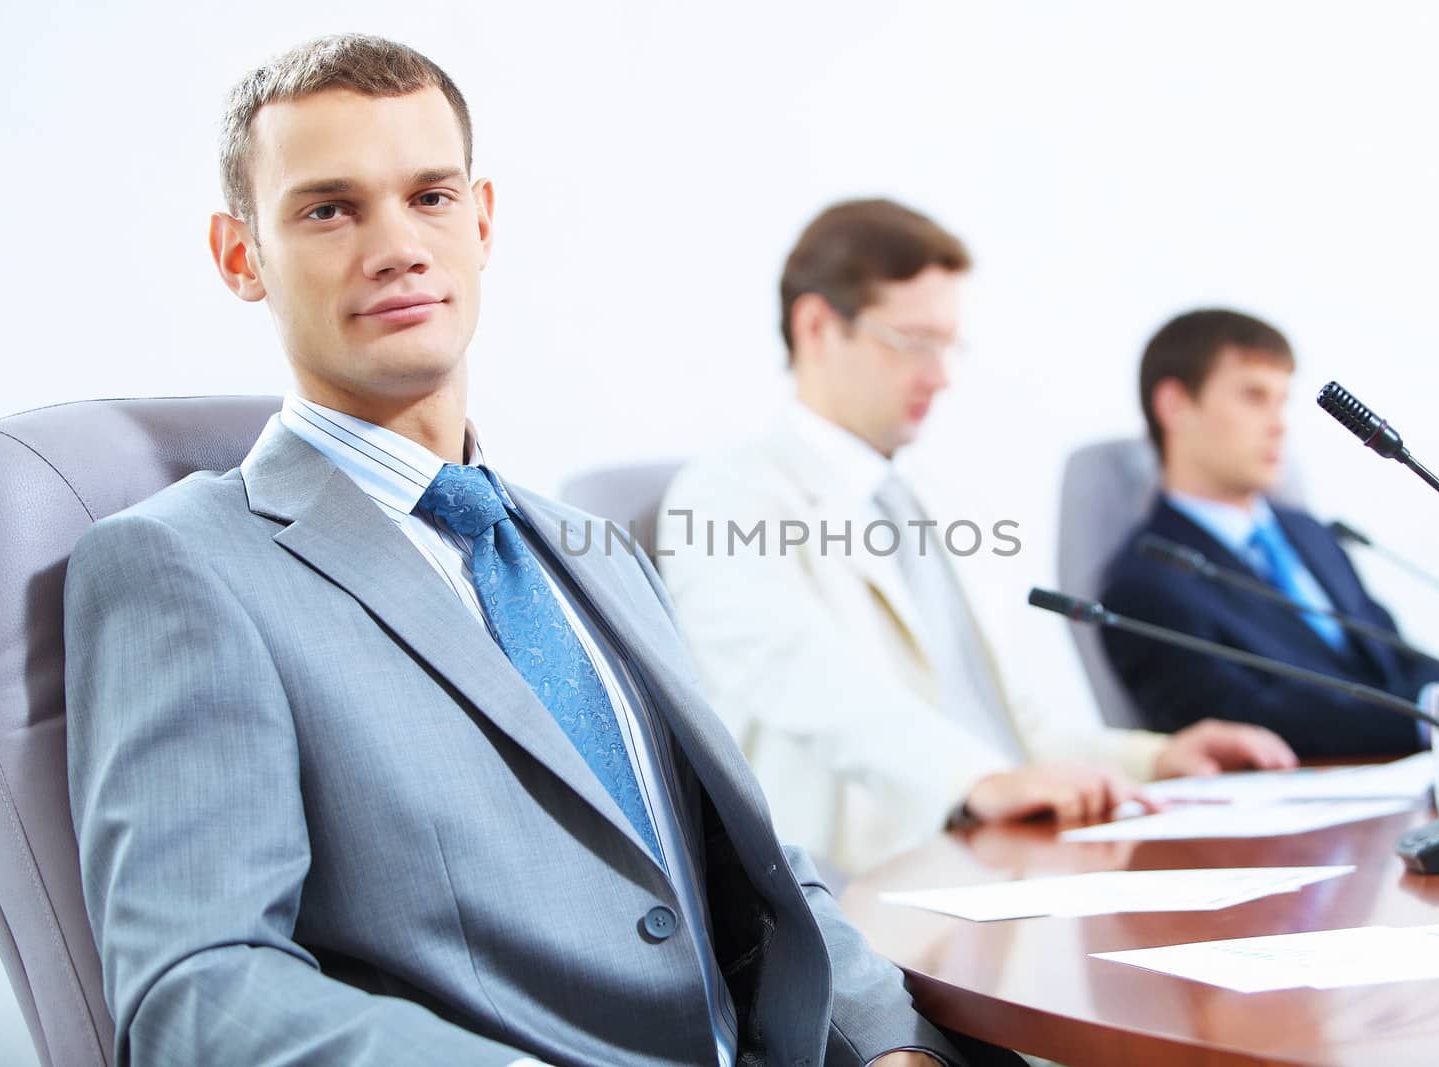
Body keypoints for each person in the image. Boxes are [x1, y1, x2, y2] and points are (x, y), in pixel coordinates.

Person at [63, 36, 987, 1067]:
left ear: (483, 219)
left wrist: (889, 1043)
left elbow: (753, 863)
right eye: (329, 208)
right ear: (241, 257)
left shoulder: (589, 549)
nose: (398, 245)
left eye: (431, 196)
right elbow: (197, 991)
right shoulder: (180, 568)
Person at [655, 199, 1295, 878]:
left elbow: (1007, 724)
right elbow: (803, 677)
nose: (941, 374)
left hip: (998, 864)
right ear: (816, 325)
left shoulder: (932, 500)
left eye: (949, 344)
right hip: (863, 892)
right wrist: (976, 781)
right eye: (913, 341)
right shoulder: (728, 493)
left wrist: (1152, 758)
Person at [1098, 308, 1439, 756]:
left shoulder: (1310, 534)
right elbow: (1250, 720)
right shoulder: (1145, 581)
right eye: (1254, 397)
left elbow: (1396, 655)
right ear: (1174, 405)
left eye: (1281, 401)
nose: (1278, 425)